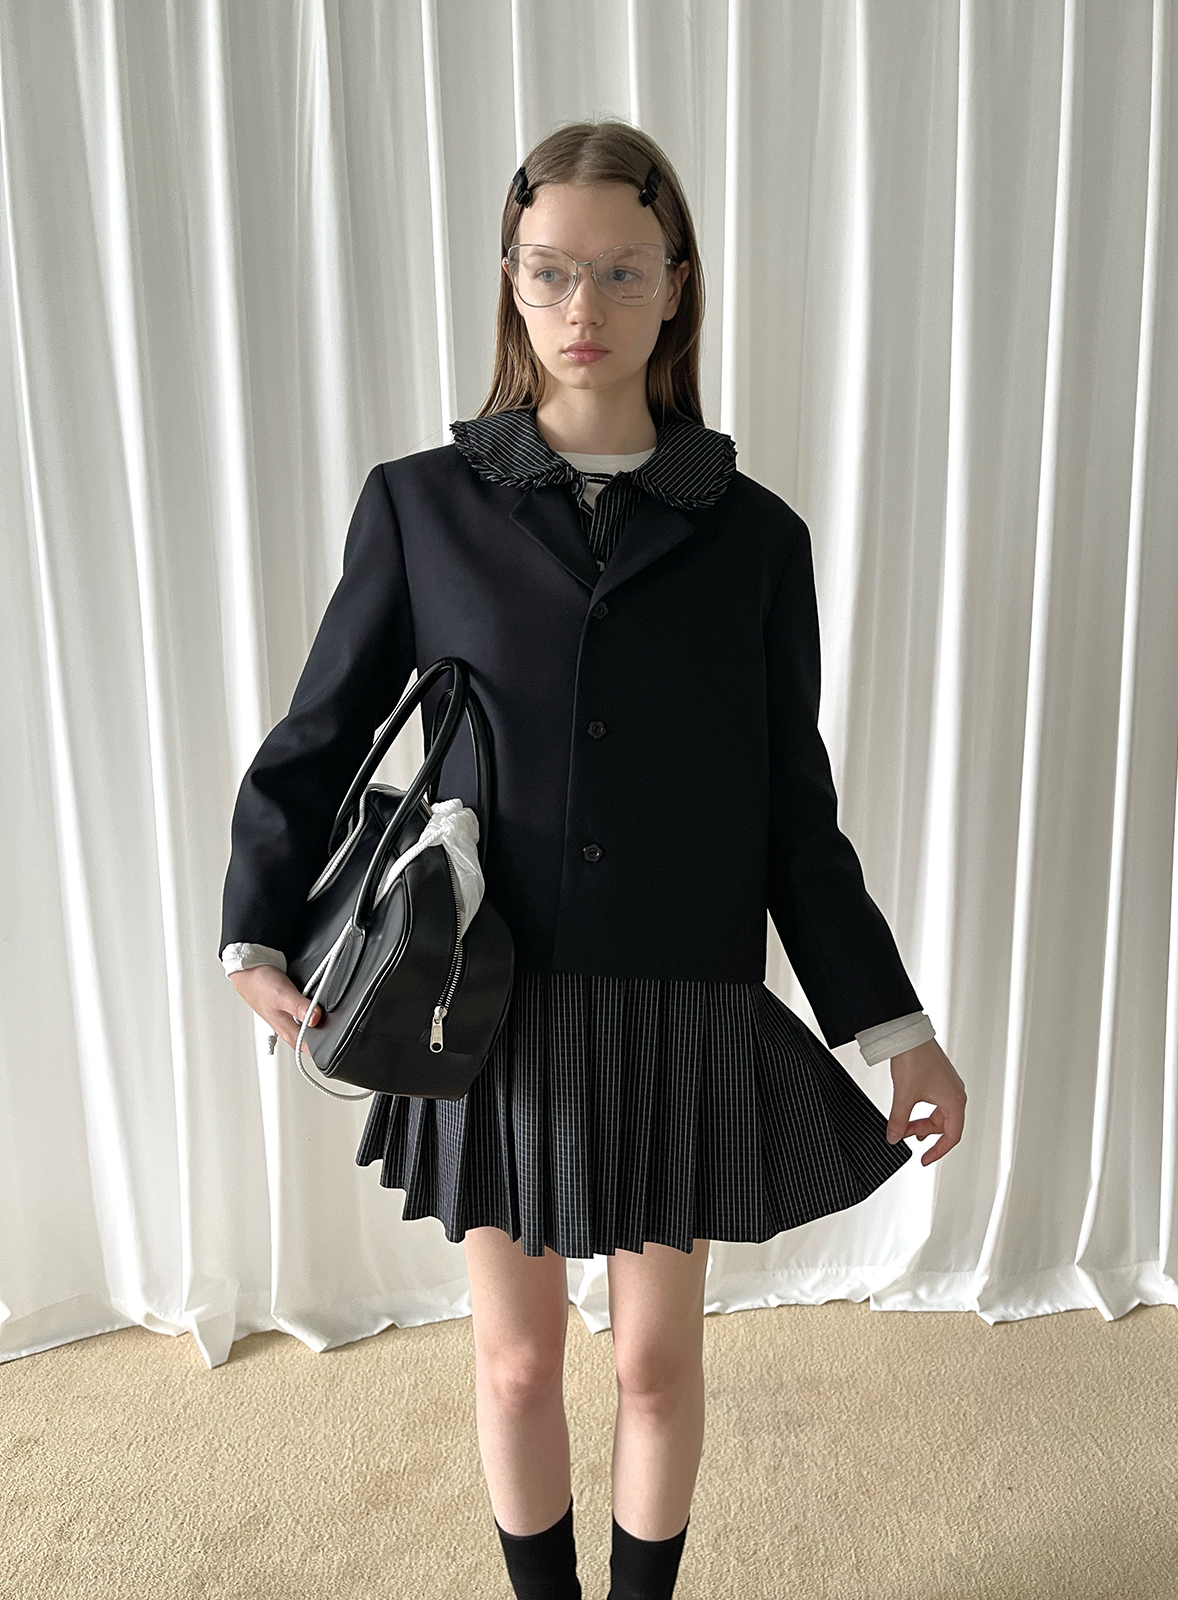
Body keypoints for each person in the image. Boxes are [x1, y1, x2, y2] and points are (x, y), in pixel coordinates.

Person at [219, 120, 967, 1600]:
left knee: (656, 1366)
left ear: (675, 285)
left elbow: (794, 814)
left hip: (681, 998)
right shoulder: (423, 504)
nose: (585, 305)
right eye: (552, 271)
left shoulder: (754, 538)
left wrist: (898, 1030)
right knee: (514, 1362)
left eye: (623, 271)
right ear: (511, 281)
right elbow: (322, 733)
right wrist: (256, 932)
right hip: (480, 993)